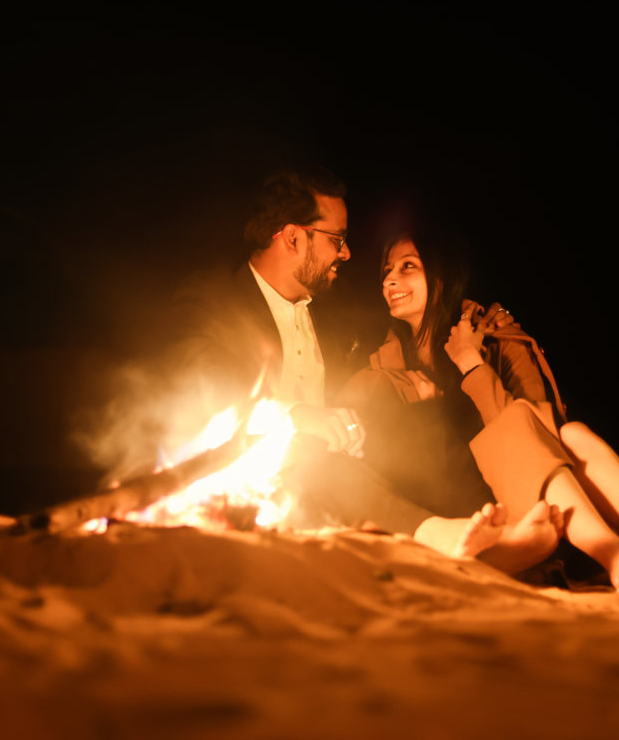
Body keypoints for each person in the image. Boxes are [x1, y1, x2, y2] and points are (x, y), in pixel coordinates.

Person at [337, 223, 619, 594]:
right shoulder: (381, 362)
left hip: (537, 500)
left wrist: (471, 365)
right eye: (386, 271)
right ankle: (615, 553)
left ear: (441, 276)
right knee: (556, 434)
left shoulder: (493, 335)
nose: (390, 280)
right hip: (462, 513)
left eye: (408, 267)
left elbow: (540, 428)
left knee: (573, 434)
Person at [157, 165, 552, 560]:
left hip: (349, 474)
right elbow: (202, 398)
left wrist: (482, 320)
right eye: (337, 239)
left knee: (427, 427)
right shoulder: (212, 300)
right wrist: (296, 416)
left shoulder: (339, 305)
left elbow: (422, 317)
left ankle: (492, 530)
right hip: (249, 481)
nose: (346, 253)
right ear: (293, 238)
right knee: (315, 459)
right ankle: (447, 538)